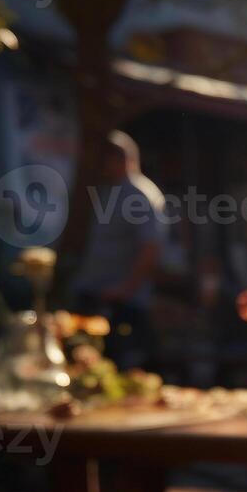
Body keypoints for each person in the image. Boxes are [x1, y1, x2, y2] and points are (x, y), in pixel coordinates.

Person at [71, 130, 168, 367]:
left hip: (120, 303)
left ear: (121, 159)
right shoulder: (110, 190)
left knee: (119, 366)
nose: (101, 165)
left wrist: (125, 289)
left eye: (105, 159)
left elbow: (151, 247)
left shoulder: (140, 194)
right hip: (97, 294)